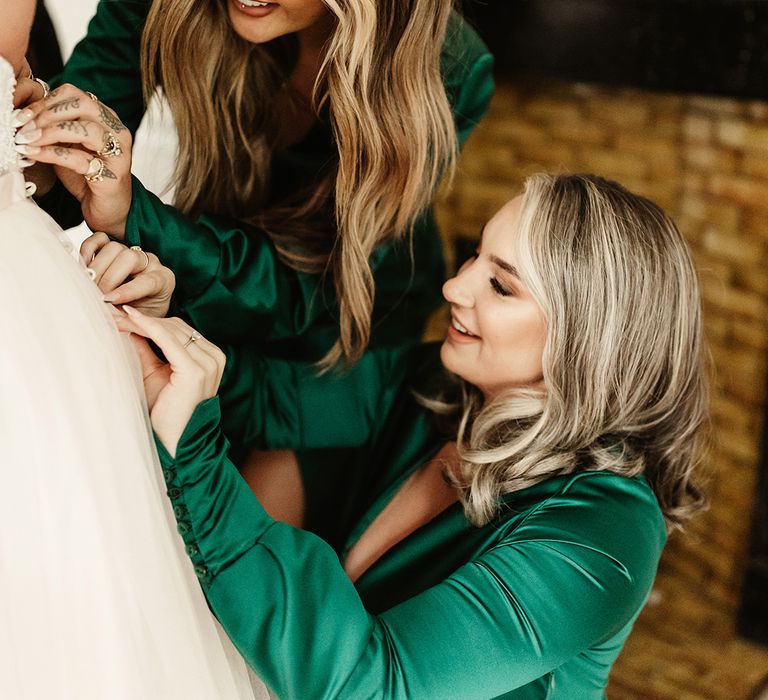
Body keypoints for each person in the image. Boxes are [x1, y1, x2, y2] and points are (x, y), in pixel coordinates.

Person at [116, 173, 709, 698]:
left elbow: (375, 687)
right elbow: (272, 399)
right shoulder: (441, 384)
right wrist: (170, 326)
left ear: (588, 341)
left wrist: (193, 456)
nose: (455, 287)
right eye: (475, 256)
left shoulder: (604, 534)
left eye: (501, 286)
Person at [18, 0, 495, 458]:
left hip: (344, 331)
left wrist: (131, 216)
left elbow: (311, 276)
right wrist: (40, 154)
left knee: (233, 518)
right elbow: (78, 139)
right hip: (199, 283)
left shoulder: (446, 64)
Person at [0, 2, 267, 697]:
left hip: (330, 359)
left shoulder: (450, 70)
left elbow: (309, 298)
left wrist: (127, 215)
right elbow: (62, 133)